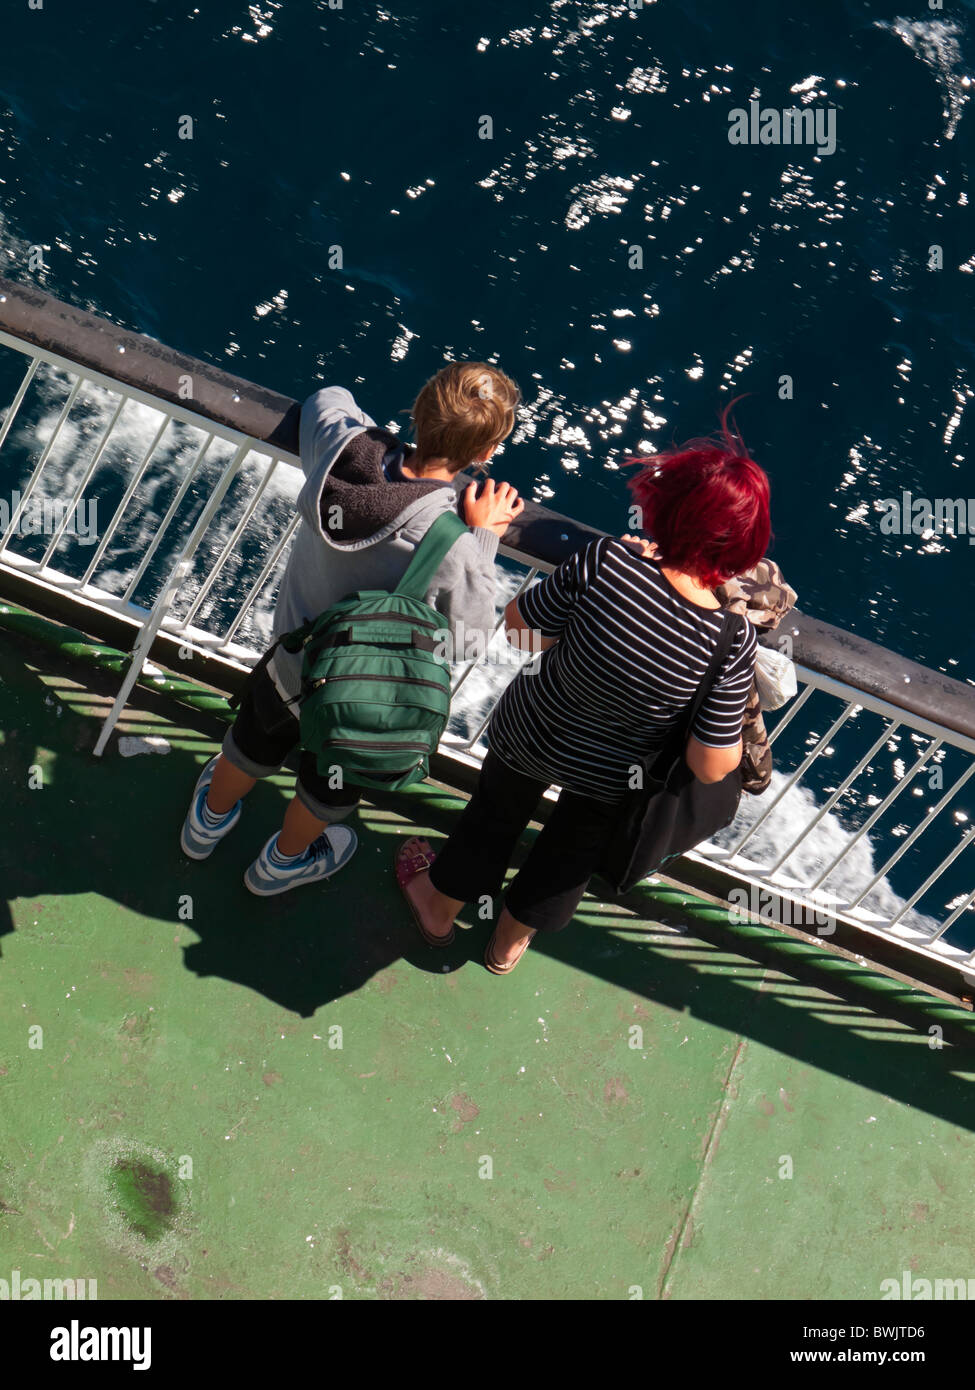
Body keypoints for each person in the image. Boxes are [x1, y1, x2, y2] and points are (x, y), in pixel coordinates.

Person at [396, 418, 771, 972]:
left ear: (664, 509)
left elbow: (522, 631)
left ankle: (438, 908)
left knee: (492, 820)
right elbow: (712, 766)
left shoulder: (610, 562)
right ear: (743, 546)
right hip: (616, 775)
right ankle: (506, 945)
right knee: (568, 855)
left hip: (533, 732)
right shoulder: (730, 639)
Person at [180, 362, 524, 894]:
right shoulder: (452, 542)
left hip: (288, 665)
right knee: (327, 788)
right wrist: (483, 537)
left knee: (249, 743)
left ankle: (207, 822)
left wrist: (375, 435)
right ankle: (282, 863)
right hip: (357, 700)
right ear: (485, 455)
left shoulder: (343, 451)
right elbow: (470, 636)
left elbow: (328, 396)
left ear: (419, 407)